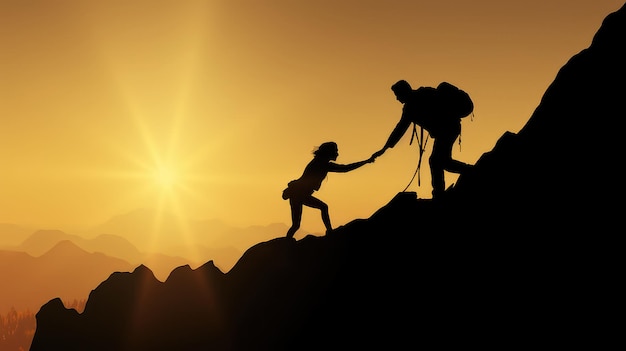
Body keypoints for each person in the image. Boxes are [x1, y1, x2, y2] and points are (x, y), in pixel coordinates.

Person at [372, 79, 472, 199]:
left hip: (448, 129)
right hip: (449, 129)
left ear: (404, 92)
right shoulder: (420, 97)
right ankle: (445, 188)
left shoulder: (413, 104)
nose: (397, 99)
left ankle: (464, 176)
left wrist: (384, 148)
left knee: (437, 161)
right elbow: (400, 129)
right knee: (439, 161)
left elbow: (400, 129)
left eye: (397, 95)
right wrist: (385, 148)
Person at [283, 141, 374, 239]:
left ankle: (287, 242)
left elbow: (344, 168)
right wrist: (366, 161)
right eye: (336, 151)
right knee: (322, 208)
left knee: (296, 225)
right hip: (298, 194)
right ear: (329, 152)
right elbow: (345, 168)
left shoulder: (319, 162)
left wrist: (366, 161)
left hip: (297, 194)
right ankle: (330, 231)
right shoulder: (321, 164)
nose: (337, 154)